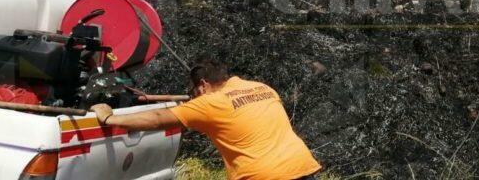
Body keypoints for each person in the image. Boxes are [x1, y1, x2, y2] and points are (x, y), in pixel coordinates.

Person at [89, 59, 322, 180]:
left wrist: (109, 118)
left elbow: (159, 118)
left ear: (203, 84)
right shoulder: (261, 87)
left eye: (195, 90)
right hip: (301, 165)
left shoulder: (211, 103)